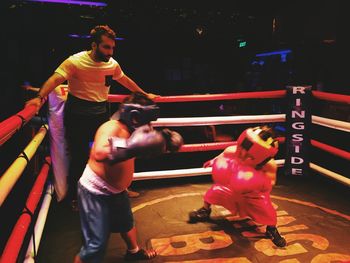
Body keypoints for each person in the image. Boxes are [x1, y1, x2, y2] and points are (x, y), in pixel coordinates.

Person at [25, 25, 158, 209]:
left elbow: (125, 80)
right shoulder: (75, 61)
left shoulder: (112, 64)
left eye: (112, 48)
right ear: (94, 45)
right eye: (106, 47)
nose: (110, 52)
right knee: (79, 157)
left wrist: (144, 94)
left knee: (114, 152)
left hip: (101, 112)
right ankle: (77, 198)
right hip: (78, 114)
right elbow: (55, 79)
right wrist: (39, 98)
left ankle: (119, 188)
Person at [74, 92, 183, 263]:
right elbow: (99, 152)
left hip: (117, 191)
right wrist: (131, 146)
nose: (150, 126)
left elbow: (140, 147)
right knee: (94, 246)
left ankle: (133, 251)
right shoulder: (112, 127)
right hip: (95, 191)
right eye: (147, 120)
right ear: (135, 117)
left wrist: (164, 142)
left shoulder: (138, 130)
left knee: (126, 223)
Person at [188, 126, 286, 247]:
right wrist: (214, 161)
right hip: (231, 186)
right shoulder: (232, 150)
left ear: (263, 156)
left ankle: (271, 229)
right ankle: (205, 210)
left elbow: (271, 183)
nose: (243, 153)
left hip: (254, 194)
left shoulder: (269, 165)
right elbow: (222, 156)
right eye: (242, 148)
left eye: (250, 155)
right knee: (214, 192)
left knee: (268, 213)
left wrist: (254, 183)